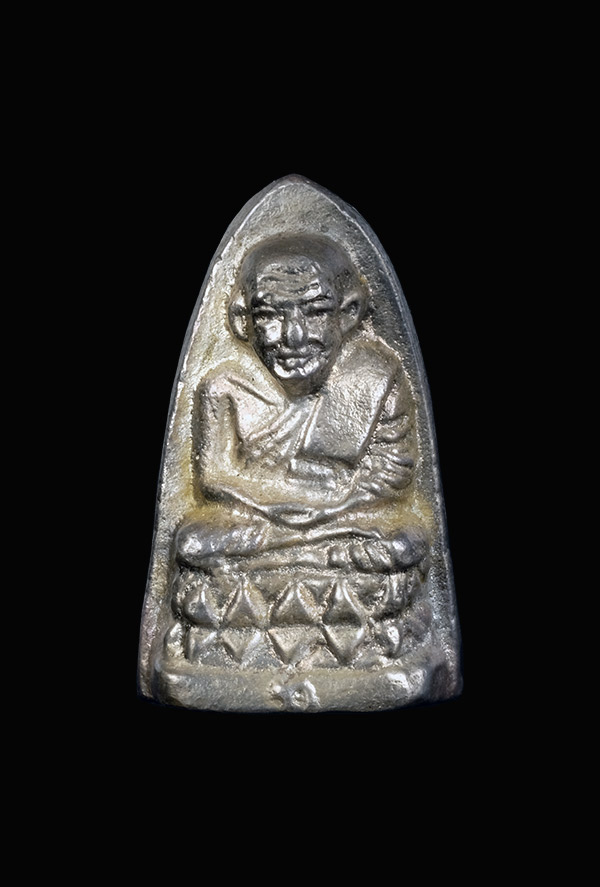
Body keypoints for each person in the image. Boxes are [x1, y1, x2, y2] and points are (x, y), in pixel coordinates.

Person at [176, 235, 427, 572]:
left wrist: (329, 506)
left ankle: (283, 563)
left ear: (348, 313)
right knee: (192, 542)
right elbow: (215, 479)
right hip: (266, 520)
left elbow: (393, 474)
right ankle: (312, 560)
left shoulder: (373, 376)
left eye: (316, 312)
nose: (293, 336)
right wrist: (290, 503)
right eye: (269, 315)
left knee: (405, 542)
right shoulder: (224, 387)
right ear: (241, 319)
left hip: (342, 517)